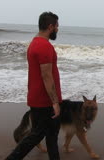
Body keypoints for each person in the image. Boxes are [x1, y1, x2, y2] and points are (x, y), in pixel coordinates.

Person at [6, 12, 62, 160]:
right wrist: (55, 102)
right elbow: (46, 75)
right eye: (56, 26)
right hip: (45, 101)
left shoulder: (35, 42)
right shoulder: (44, 46)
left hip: (39, 98)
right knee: (36, 136)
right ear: (50, 26)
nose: (57, 29)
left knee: (51, 136)